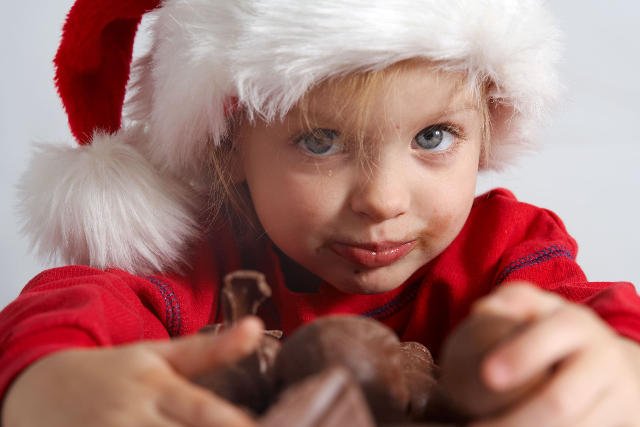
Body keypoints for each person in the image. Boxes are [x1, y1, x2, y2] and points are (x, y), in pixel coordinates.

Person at [2, 0, 640, 426]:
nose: (384, 201)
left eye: (433, 137)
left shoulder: (503, 252)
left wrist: (619, 366)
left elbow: (596, 319)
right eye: (319, 141)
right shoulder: (189, 267)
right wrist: (48, 383)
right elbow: (66, 309)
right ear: (230, 147)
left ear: (488, 130)